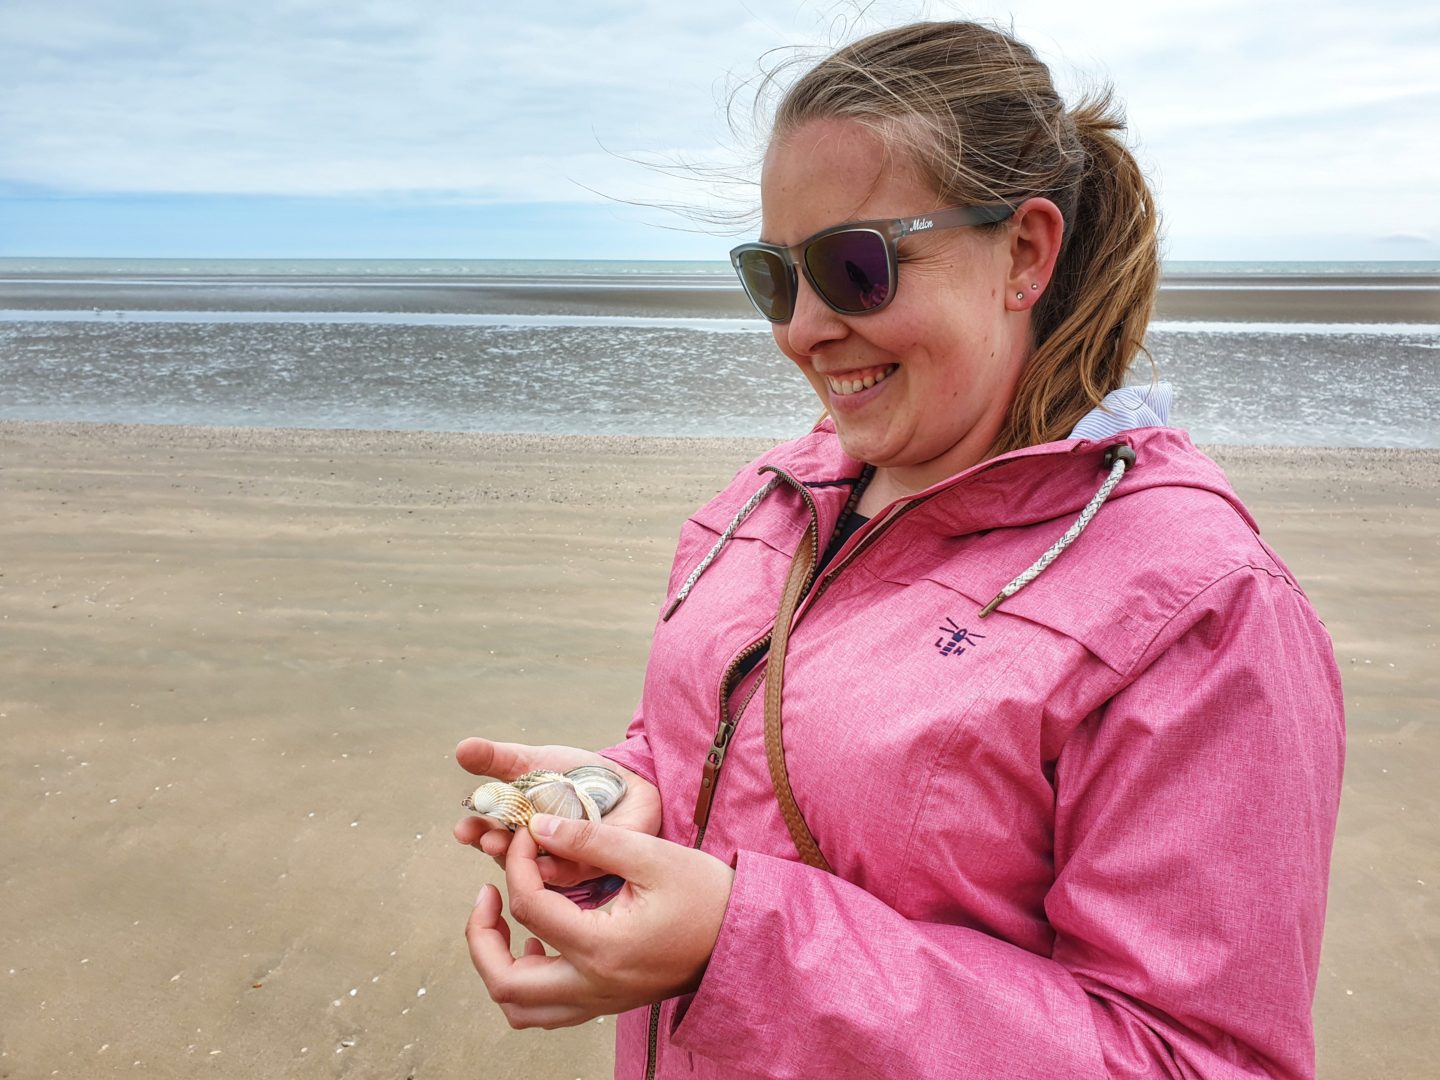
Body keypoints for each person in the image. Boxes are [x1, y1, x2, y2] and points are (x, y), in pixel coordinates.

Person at [454, 20, 1344, 1079]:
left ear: (1025, 252)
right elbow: (720, 738)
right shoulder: (767, 499)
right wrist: (623, 792)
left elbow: (1193, 1060)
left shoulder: (1198, 607)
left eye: (855, 266)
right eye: (775, 276)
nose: (801, 329)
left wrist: (739, 945)